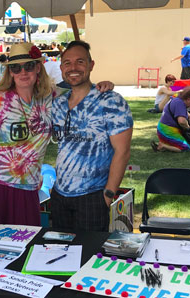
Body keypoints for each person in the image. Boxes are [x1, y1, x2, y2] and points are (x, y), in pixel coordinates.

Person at [0, 42, 113, 226]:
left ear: (38, 68)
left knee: (26, 241)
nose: (23, 72)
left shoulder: (51, 96)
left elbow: (80, 91)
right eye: (16, 68)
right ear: (11, 72)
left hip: (28, 188)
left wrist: (101, 86)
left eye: (29, 66)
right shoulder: (0, 101)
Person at [51, 41, 133, 232]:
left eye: (80, 62)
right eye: (67, 63)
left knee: (89, 256)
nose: (73, 68)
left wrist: (108, 195)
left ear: (91, 65)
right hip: (59, 196)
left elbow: (122, 151)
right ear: (61, 68)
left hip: (93, 196)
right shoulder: (58, 103)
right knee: (58, 255)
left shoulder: (111, 101)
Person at [151, 87, 190, 153]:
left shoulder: (177, 100)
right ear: (188, 99)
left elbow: (182, 111)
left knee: (187, 142)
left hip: (162, 130)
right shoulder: (179, 103)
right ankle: (163, 146)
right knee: (186, 147)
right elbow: (181, 121)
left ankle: (168, 144)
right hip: (167, 131)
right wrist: (188, 128)